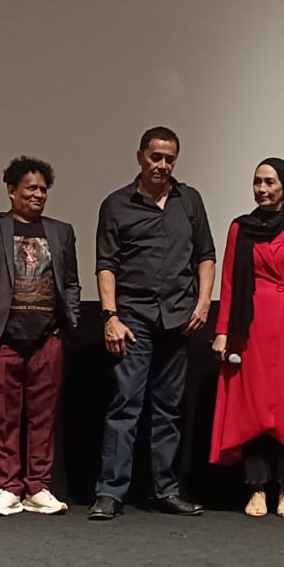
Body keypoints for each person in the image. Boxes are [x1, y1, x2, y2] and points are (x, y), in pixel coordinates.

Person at [90, 126, 216, 520]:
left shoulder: (189, 201)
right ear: (140, 156)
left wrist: (203, 304)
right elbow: (106, 264)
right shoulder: (116, 204)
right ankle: (110, 492)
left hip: (179, 319)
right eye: (155, 157)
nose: (162, 165)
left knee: (169, 409)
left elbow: (206, 256)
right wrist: (110, 316)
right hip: (134, 318)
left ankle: (166, 489)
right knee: (124, 405)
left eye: (169, 159)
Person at [209, 158, 284, 518]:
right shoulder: (240, 228)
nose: (261, 189)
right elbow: (230, 283)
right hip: (251, 330)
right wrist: (222, 332)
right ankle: (256, 488)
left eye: (269, 182)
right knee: (253, 408)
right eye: (257, 182)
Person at [0, 157, 81, 516]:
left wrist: (69, 321)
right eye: (31, 188)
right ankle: (8, 487)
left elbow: (71, 283)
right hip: (2, 338)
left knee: (43, 417)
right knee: (5, 417)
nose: (38, 194)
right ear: (11, 191)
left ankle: (38, 487)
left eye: (43, 189)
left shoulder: (61, 231)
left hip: (48, 337)